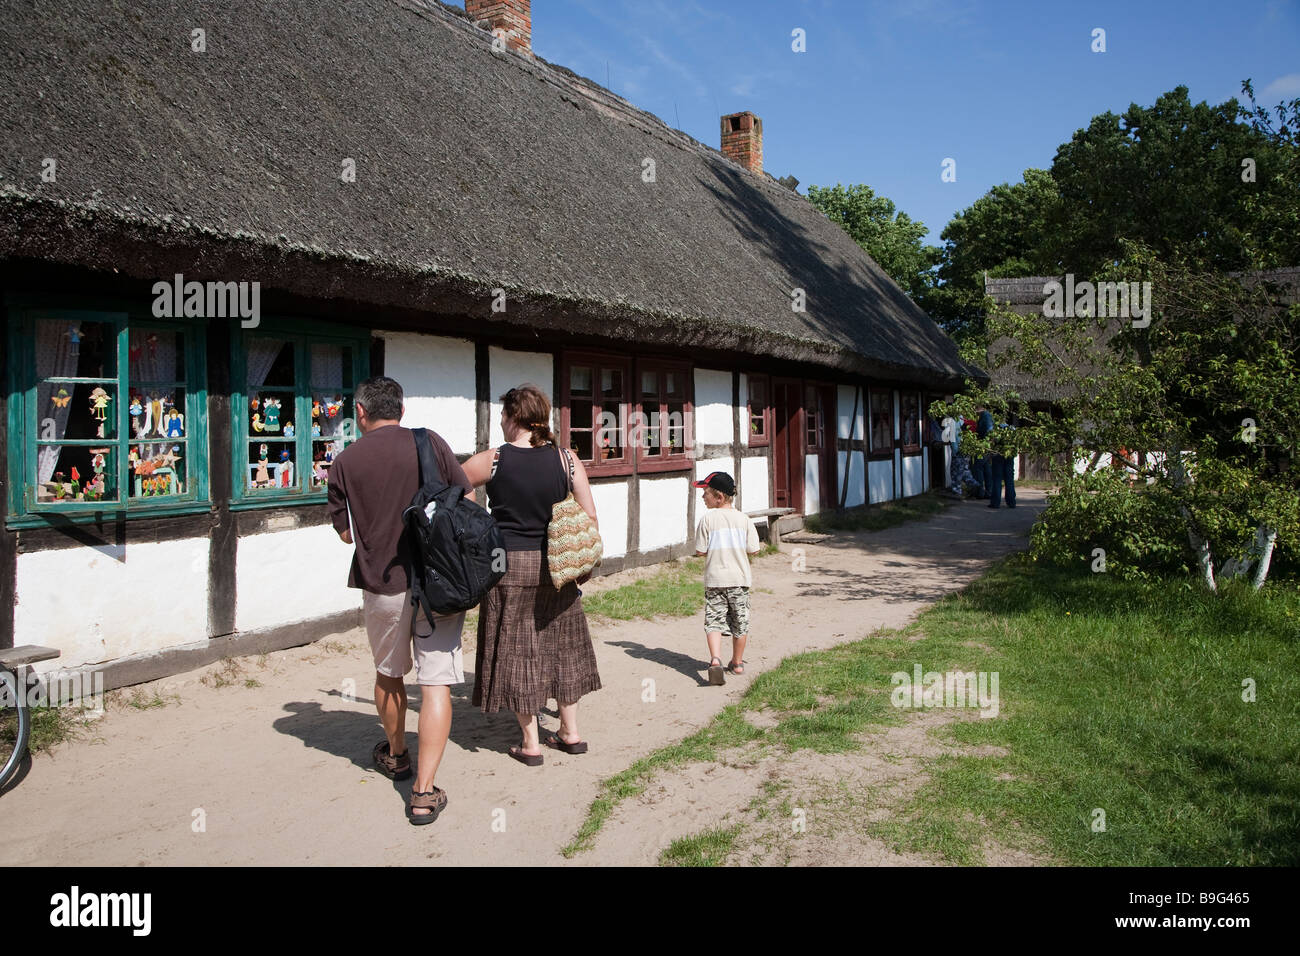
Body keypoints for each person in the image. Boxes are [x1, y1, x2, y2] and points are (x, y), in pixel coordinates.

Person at [327, 376, 470, 825]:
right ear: (402, 411)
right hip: (439, 582)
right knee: (436, 683)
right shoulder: (431, 443)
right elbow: (463, 495)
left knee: (389, 673)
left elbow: (347, 531)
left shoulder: (345, 462)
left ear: (360, 413)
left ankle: (397, 754)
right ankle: (424, 793)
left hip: (384, 584)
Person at [461, 384, 601, 766]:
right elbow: (589, 517)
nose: (502, 423)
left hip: (505, 565)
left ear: (513, 418)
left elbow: (455, 484)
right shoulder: (567, 460)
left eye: (503, 416)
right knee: (563, 648)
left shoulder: (494, 460)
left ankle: (531, 743)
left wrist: (478, 521)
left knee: (516, 649)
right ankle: (570, 733)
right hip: (558, 566)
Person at [693, 472, 760, 685]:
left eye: (706, 493)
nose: (703, 497)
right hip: (739, 580)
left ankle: (715, 660)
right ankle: (737, 663)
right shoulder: (744, 520)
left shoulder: (707, 520)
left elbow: (700, 551)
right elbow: (754, 550)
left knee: (713, 621)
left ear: (719, 497)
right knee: (740, 621)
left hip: (715, 580)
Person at [988, 417, 1017, 509]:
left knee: (997, 479)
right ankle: (1011, 502)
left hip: (997, 455)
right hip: (1009, 455)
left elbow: (991, 442)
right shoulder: (1012, 429)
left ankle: (995, 502)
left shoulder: (995, 429)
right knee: (1009, 479)